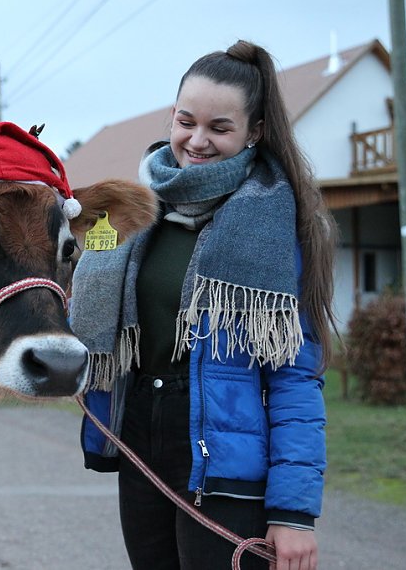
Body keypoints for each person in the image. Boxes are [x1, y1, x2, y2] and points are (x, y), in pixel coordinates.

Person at [71, 40, 336, 570]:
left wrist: (293, 513)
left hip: (229, 462)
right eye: (186, 121)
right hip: (141, 439)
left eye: (219, 128)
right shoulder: (130, 210)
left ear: (254, 132)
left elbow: (295, 378)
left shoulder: (278, 225)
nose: (197, 141)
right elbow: (78, 297)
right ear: (172, 117)